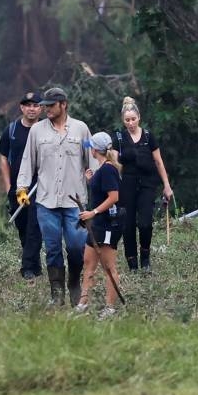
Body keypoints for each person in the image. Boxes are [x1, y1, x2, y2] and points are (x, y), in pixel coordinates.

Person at [15, 86, 96, 307]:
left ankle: (73, 283)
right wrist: (21, 189)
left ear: (64, 104)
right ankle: (56, 291)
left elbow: (93, 158)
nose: (47, 109)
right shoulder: (37, 132)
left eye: (51, 106)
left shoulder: (81, 130)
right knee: (52, 248)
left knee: (76, 247)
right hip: (46, 201)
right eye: (45, 106)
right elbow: (27, 161)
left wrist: (96, 178)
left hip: (75, 202)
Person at [112, 96, 173, 273]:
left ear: (139, 118)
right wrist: (111, 160)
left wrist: (166, 185)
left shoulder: (148, 136)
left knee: (145, 223)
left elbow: (159, 162)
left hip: (147, 183)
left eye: (133, 119)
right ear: (123, 121)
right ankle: (132, 263)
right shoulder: (119, 137)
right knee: (128, 224)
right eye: (127, 120)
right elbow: (115, 164)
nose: (130, 123)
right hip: (127, 185)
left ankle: (145, 257)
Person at [75, 132, 124, 320]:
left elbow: (114, 197)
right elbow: (102, 192)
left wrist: (93, 212)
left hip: (108, 225)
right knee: (88, 263)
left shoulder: (109, 170)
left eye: (91, 147)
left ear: (95, 150)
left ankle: (110, 307)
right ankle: (83, 303)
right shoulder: (101, 169)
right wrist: (91, 180)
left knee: (109, 267)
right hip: (96, 225)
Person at [0, 90, 43, 280]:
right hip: (18, 188)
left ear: (41, 109)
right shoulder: (12, 130)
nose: (32, 109)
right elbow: (3, 159)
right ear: (22, 108)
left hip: (39, 187)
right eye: (28, 105)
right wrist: (9, 187)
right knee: (23, 226)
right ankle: (34, 263)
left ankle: (28, 269)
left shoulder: (45, 130)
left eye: (36, 105)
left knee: (35, 225)